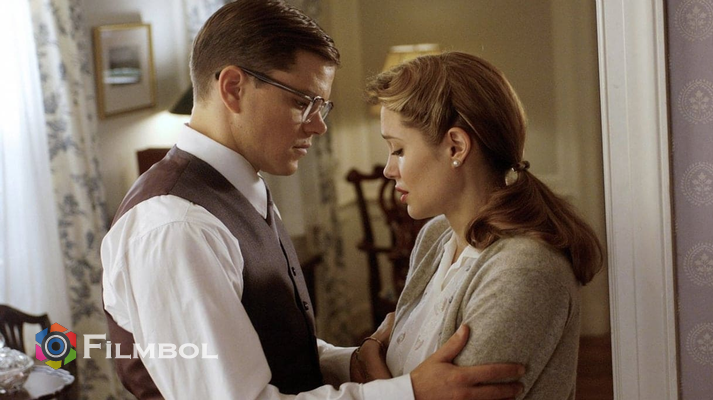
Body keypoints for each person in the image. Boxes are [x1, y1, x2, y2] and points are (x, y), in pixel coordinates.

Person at [101, 1, 526, 399]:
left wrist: (354, 362)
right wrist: (408, 392)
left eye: (321, 105)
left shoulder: (238, 189)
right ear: (233, 88)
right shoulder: (176, 227)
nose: (318, 126)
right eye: (302, 103)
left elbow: (271, 351)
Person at [351, 52, 604, 399]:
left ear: (456, 147)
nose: (388, 170)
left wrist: (369, 363)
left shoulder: (524, 269)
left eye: (398, 150)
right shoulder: (436, 237)